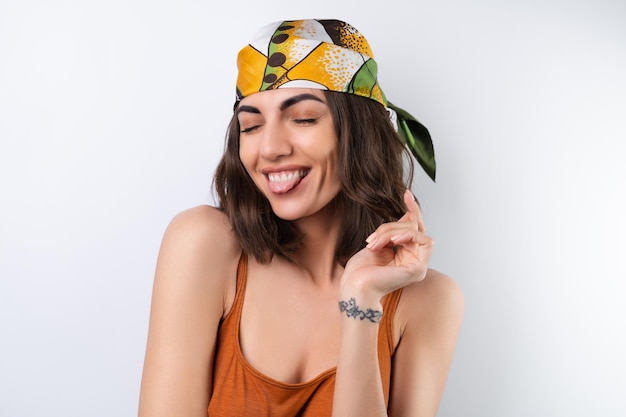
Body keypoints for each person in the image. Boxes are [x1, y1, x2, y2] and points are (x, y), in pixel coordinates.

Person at [138, 18, 464, 417]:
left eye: (304, 118)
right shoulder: (204, 244)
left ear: (358, 132)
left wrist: (362, 301)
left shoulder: (428, 300)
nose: (270, 148)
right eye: (251, 125)